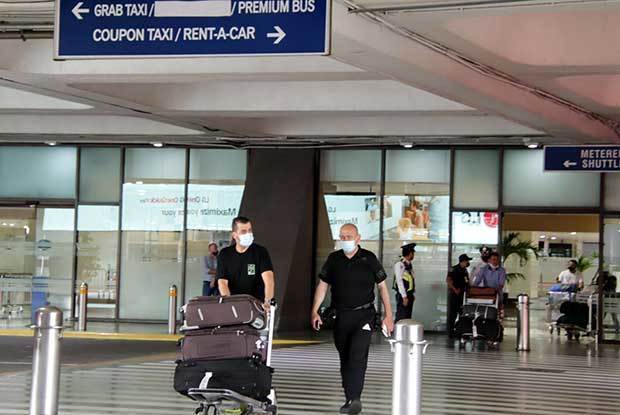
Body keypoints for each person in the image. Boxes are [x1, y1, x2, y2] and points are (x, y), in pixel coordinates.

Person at [311, 224, 394, 415]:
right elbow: (322, 286)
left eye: (349, 236)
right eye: (342, 236)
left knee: (357, 356)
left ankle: (355, 398)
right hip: (340, 316)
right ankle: (350, 396)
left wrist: (389, 316)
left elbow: (382, 288)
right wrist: (314, 311)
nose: (345, 239)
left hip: (364, 315)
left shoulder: (369, 258)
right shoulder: (334, 259)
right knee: (345, 357)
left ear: (358, 238)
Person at [217, 216, 275, 310]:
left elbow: (269, 279)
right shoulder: (225, 254)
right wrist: (229, 305)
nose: (248, 234)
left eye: (250, 230)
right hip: (234, 306)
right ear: (234, 235)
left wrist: (268, 302)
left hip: (257, 307)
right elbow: (222, 282)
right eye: (243, 231)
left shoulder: (260, 252)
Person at [446, 253, 472, 337]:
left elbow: (467, 282)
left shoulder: (465, 270)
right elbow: (448, 280)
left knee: (462, 314)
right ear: (462, 261)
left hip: (463, 295)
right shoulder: (454, 269)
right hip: (455, 295)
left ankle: (461, 331)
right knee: (453, 314)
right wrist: (454, 289)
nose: (468, 262)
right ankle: (450, 332)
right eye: (467, 261)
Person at [393, 243, 416, 322]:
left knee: (407, 317)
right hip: (403, 295)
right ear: (410, 254)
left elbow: (411, 280)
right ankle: (396, 330)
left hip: (409, 295)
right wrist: (404, 296)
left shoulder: (408, 265)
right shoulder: (400, 264)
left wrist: (412, 294)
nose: (413, 255)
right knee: (401, 317)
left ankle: (405, 331)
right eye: (413, 253)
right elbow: (399, 281)